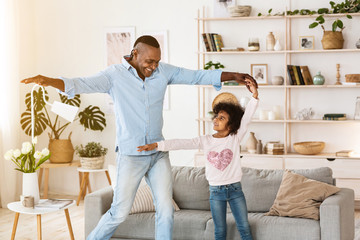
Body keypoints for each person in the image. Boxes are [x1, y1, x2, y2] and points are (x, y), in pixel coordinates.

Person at [21, 35, 257, 240]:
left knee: (166, 210)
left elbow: (196, 76)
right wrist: (49, 80)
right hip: (130, 156)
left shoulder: (163, 71)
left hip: (157, 154)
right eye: (149, 61)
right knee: (119, 212)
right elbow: (81, 83)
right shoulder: (113, 76)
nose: (154, 66)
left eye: (157, 61)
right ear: (135, 53)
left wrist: (234, 75)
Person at [138, 79, 258, 240]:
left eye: (221, 118)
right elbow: (182, 143)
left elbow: (247, 117)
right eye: (216, 116)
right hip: (216, 192)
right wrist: (157, 145)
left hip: (236, 191)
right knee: (220, 231)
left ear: (231, 125)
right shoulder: (206, 140)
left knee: (244, 228)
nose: (216, 119)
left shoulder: (235, 137)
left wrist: (255, 96)